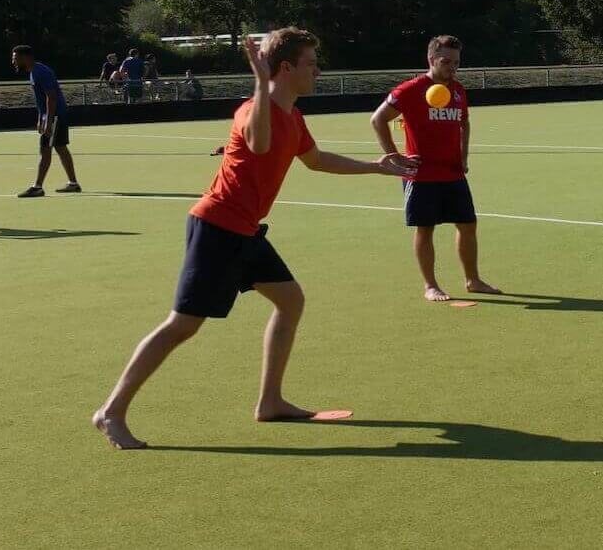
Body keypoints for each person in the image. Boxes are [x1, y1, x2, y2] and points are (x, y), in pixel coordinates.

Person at [91, 29, 418, 450]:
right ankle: (111, 412)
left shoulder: (295, 118)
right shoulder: (251, 111)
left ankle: (270, 401)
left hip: (245, 231)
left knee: (290, 299)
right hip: (216, 229)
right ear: (285, 68)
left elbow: (316, 161)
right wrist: (262, 86)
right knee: (183, 325)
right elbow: (260, 143)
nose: (318, 70)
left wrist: (377, 166)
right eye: (311, 62)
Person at [371, 35, 500, 303]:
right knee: (425, 228)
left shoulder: (458, 90)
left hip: (452, 172)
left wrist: (463, 156)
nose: (452, 67)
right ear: (431, 60)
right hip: (421, 174)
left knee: (467, 224)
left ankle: (473, 280)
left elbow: (464, 123)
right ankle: (430, 285)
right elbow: (378, 119)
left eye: (456, 62)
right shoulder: (411, 89)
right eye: (446, 61)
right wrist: (393, 156)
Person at [10, 45, 80, 197]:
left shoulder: (41, 72)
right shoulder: (34, 72)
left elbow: (51, 97)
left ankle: (38, 187)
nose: (13, 61)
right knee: (61, 148)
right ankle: (73, 183)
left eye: (15, 58)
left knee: (45, 150)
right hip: (53, 115)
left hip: (55, 116)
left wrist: (48, 121)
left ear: (25, 57)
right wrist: (40, 118)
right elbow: (42, 99)